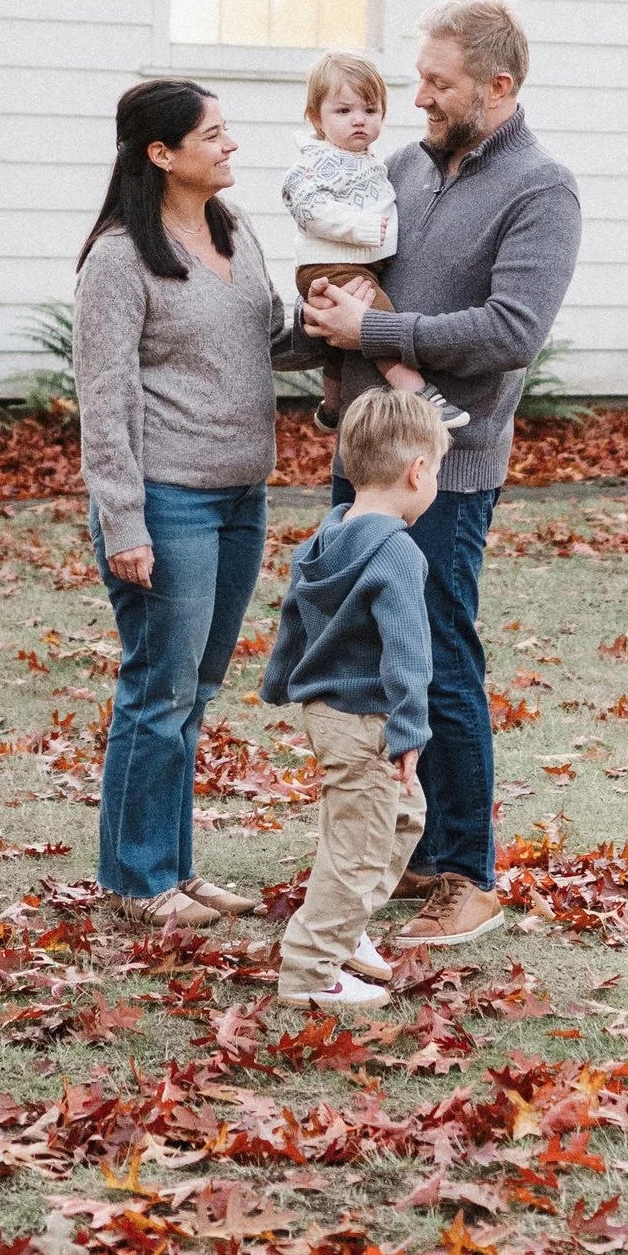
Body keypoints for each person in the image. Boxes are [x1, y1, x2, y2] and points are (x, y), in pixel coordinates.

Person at [304, 0, 581, 949]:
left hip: (446, 472)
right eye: (418, 76)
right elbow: (361, 279)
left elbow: (512, 331)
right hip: (363, 453)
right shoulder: (402, 171)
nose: (414, 96)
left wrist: (374, 329)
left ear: (498, 89)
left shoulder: (542, 190)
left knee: (442, 656)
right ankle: (407, 850)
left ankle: (469, 872)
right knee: (377, 656)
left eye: (438, 83)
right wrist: (329, 321)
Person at [74, 78, 309, 931]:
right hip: (167, 500)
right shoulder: (117, 259)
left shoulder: (233, 231)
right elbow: (105, 401)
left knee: (195, 689)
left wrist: (338, 317)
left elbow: (269, 340)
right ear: (161, 153)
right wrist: (124, 521)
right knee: (158, 689)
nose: (232, 145)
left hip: (242, 493)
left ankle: (172, 865)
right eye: (214, 133)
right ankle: (138, 882)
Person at [260, 390, 449, 1012]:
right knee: (359, 845)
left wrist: (280, 680)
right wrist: (411, 730)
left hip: (330, 715)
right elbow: (407, 652)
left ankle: (347, 928)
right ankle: (311, 970)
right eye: (438, 473)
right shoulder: (396, 550)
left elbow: (294, 616)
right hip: (370, 720)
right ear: (417, 471)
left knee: (401, 818)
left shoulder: (328, 533)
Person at [282, 50, 400, 431]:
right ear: (317, 118)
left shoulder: (370, 159)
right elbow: (307, 206)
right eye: (344, 111)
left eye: (370, 110)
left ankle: (332, 407)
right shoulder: (317, 162)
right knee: (378, 317)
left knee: (341, 343)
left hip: (359, 260)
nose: (359, 120)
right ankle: (413, 388)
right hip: (328, 262)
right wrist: (358, 228)